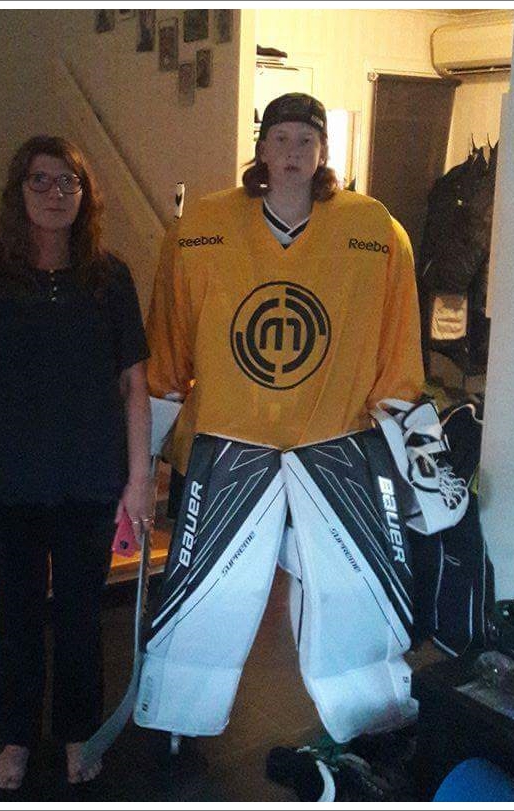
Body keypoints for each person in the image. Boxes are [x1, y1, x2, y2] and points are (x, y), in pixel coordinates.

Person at [134, 94, 426, 742]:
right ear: (261, 147)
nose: (293, 152)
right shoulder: (200, 228)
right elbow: (167, 352)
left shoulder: (376, 230)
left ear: (323, 151)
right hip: (229, 441)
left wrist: (412, 459)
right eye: (281, 138)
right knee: (211, 594)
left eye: (306, 140)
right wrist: (144, 459)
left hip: (339, 443)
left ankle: (374, 718)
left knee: (354, 592)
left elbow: (398, 355)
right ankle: (177, 718)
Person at [0, 135, 151, 789]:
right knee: (20, 616)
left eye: (69, 182)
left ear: (85, 195)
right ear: (19, 190)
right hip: (8, 481)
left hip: (91, 478)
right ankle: (16, 736)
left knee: (82, 616)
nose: (56, 193)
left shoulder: (110, 277)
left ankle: (78, 731)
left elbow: (134, 385)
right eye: (41, 180)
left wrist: (140, 478)